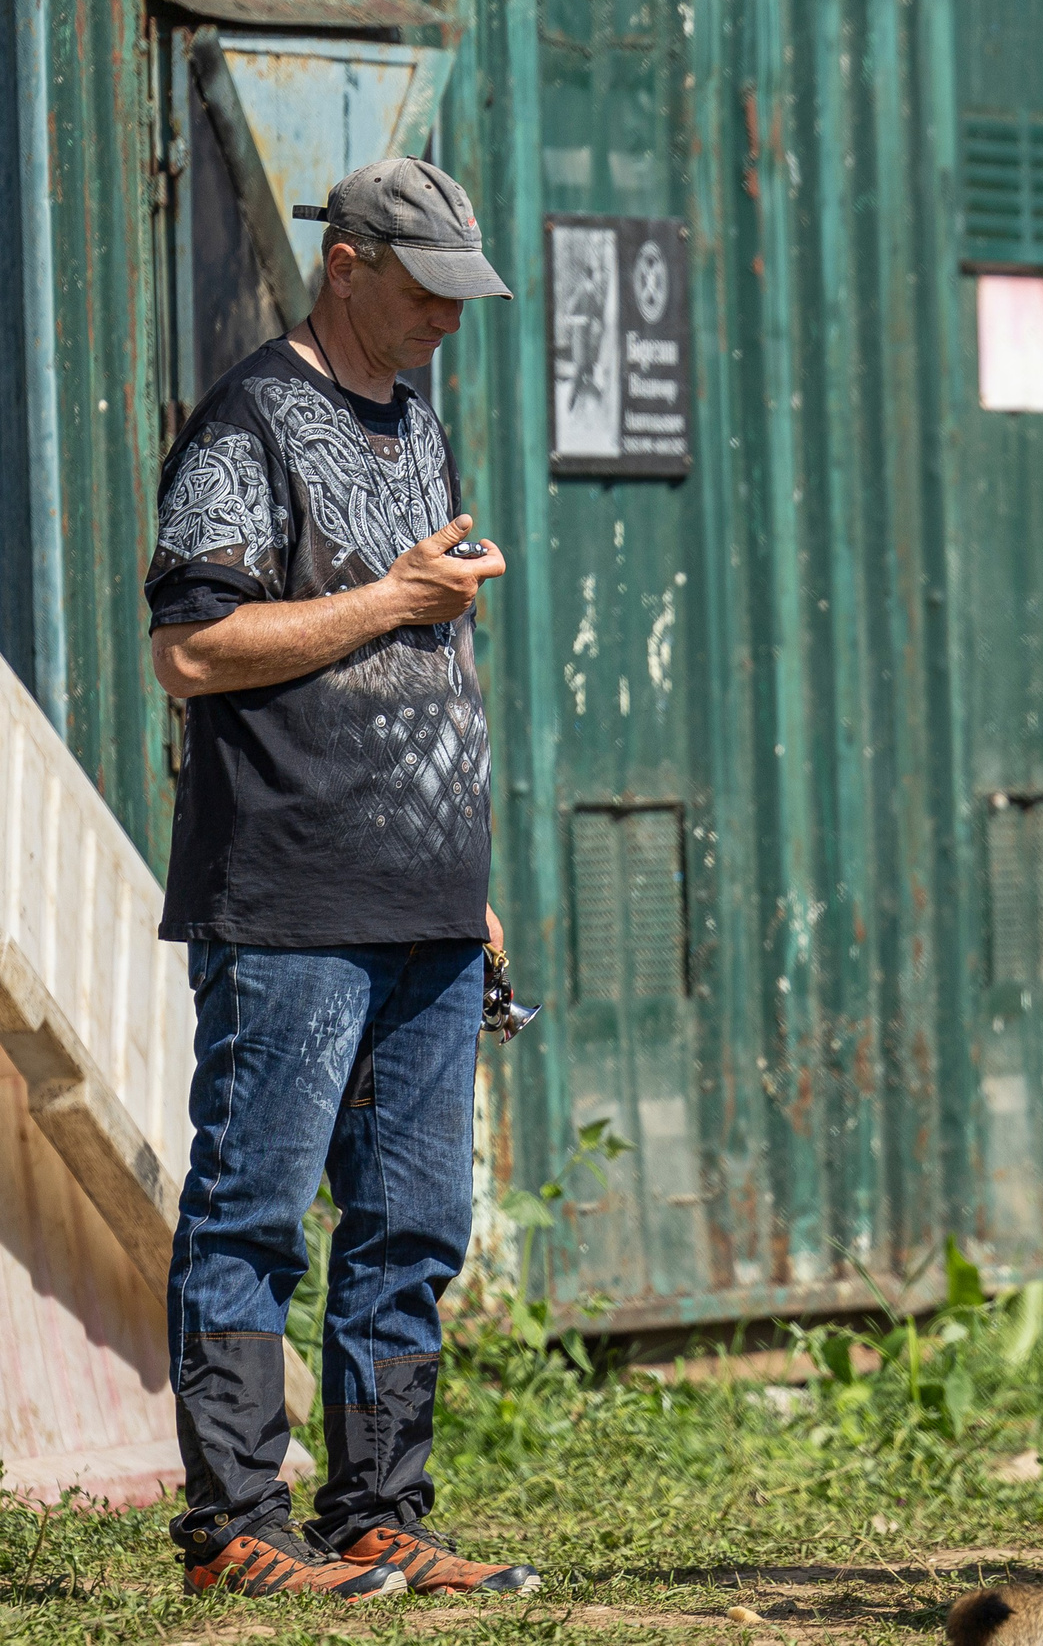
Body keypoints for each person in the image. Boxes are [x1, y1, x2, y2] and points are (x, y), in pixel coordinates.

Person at [147, 157, 536, 1603]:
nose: (448, 313)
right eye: (425, 285)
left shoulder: (421, 419)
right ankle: (236, 1526)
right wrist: (390, 597)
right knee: (254, 1207)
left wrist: (470, 868)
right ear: (348, 262)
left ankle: (378, 1508)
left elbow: (445, 643)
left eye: (461, 290)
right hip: (293, 894)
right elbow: (190, 648)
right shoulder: (245, 423)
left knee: (413, 1218)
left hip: (425, 893)